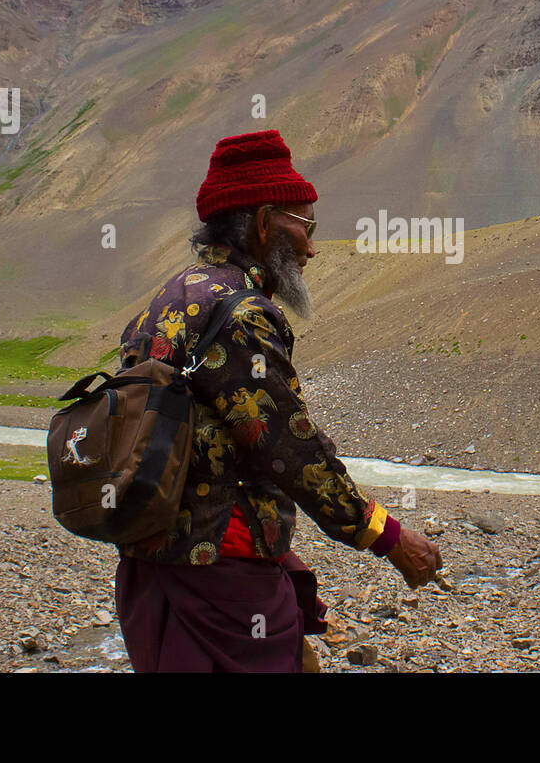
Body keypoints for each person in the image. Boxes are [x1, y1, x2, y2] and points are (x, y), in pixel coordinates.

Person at [113, 128, 442, 672]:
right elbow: (289, 449)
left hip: (149, 556)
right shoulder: (241, 315)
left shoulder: (169, 299)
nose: (312, 246)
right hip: (222, 569)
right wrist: (387, 535)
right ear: (263, 223)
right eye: (305, 225)